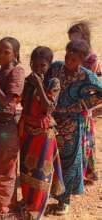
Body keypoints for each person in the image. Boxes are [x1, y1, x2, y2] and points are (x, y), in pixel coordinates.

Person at [45, 39, 102, 215]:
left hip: (72, 126)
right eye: (67, 56)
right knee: (50, 159)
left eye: (74, 59)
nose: (69, 61)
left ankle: (64, 201)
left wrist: (83, 105)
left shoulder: (86, 76)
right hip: (52, 122)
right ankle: (47, 196)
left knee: (69, 162)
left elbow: (100, 93)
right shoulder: (55, 67)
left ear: (82, 60)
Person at [19, 46, 64, 220]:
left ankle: (36, 210)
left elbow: (49, 107)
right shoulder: (27, 81)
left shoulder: (53, 83)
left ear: (49, 66)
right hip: (27, 130)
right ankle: (27, 202)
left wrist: (38, 84)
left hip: (44, 133)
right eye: (34, 65)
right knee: (26, 169)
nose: (38, 69)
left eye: (42, 66)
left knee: (41, 173)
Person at [0, 37, 25, 218]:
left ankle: (5, 205)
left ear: (15, 54)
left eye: (6, 52)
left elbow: (8, 103)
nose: (1, 55)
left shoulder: (17, 72)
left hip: (5, 127)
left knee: (6, 166)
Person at [68, 21, 101, 183]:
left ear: (84, 38)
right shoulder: (74, 56)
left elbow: (91, 85)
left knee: (84, 138)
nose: (72, 42)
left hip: (84, 105)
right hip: (73, 103)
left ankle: (86, 172)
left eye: (75, 38)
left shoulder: (92, 59)